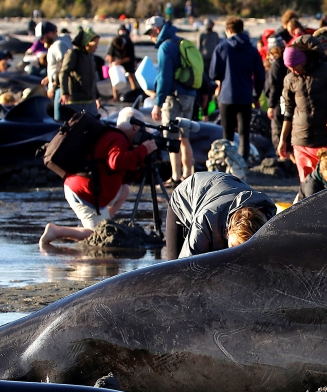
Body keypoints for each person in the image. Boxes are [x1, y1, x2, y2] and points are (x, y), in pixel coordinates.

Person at [39, 108, 157, 245]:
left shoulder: (113, 135)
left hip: (84, 187)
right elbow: (116, 162)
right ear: (135, 127)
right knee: (99, 235)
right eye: (142, 130)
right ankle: (56, 231)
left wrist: (140, 160)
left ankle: (99, 222)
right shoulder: (119, 140)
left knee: (124, 190)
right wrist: (144, 150)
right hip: (85, 193)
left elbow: (121, 175)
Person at [278, 35, 327, 184]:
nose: (293, 70)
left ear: (304, 60)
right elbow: (288, 110)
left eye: (295, 66)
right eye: (289, 68)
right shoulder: (290, 79)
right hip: (301, 140)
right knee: (308, 187)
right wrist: (283, 140)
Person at [164, 171, 277, 260]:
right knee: (173, 270)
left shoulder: (268, 227)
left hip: (222, 188)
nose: (235, 254)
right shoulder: (205, 220)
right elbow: (185, 266)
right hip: (185, 197)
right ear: (228, 231)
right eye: (233, 247)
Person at [146, 16, 196, 187]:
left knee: (172, 138)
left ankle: (176, 177)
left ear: (157, 30)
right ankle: (188, 176)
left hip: (174, 97)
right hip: (189, 95)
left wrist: (158, 103)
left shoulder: (165, 47)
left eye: (150, 32)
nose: (150, 36)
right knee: (185, 137)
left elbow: (164, 77)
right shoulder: (181, 42)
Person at [209, 17, 265, 162]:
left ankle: (227, 164)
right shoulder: (252, 50)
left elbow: (213, 73)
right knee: (244, 134)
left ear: (228, 30)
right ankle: (243, 164)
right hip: (246, 96)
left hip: (226, 96)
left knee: (227, 134)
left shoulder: (222, 48)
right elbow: (260, 76)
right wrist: (256, 95)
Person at [59, 27, 101, 118]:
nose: (97, 47)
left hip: (90, 101)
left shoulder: (90, 56)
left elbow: (92, 78)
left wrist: (97, 97)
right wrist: (64, 93)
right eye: (95, 44)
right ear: (87, 42)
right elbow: (64, 73)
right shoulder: (73, 54)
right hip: (76, 101)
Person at [41, 23, 72, 120]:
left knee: (59, 120)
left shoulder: (58, 45)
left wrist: (53, 86)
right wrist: (48, 77)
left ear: (50, 34)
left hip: (61, 87)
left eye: (43, 38)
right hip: (61, 85)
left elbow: (64, 67)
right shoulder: (61, 41)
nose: (41, 41)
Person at [263, 36, 287, 153]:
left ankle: (282, 156)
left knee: (277, 130)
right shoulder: (286, 63)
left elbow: (274, 86)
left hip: (278, 103)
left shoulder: (277, 64)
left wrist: (271, 106)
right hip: (285, 102)